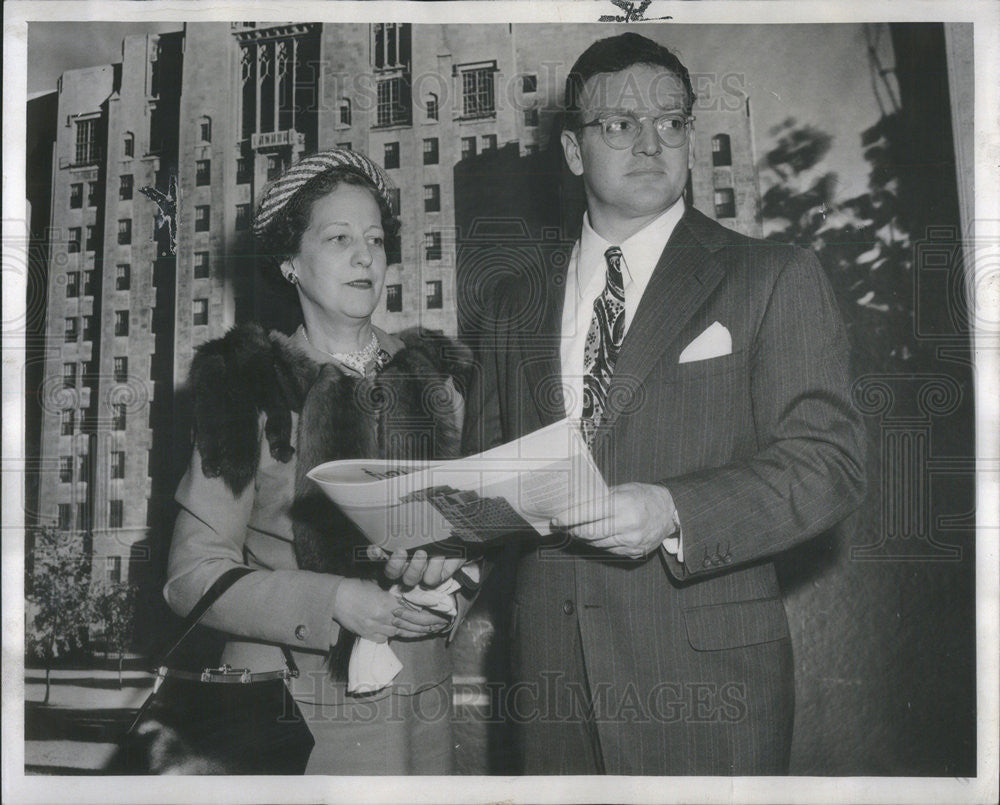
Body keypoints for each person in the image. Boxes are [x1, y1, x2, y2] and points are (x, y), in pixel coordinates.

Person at [463, 33, 867, 775]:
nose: (652, 141)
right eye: (620, 123)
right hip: (548, 688)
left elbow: (829, 464)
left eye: (672, 121)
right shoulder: (511, 304)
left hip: (706, 687)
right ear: (575, 151)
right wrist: (443, 562)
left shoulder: (772, 276)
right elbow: (489, 487)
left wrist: (676, 510)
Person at [164, 148, 472, 774]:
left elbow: (484, 533)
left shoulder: (440, 380)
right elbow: (189, 577)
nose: (365, 256)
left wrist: (457, 582)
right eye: (338, 238)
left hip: (425, 710)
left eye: (376, 239)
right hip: (292, 712)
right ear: (290, 263)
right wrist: (332, 601)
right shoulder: (246, 384)